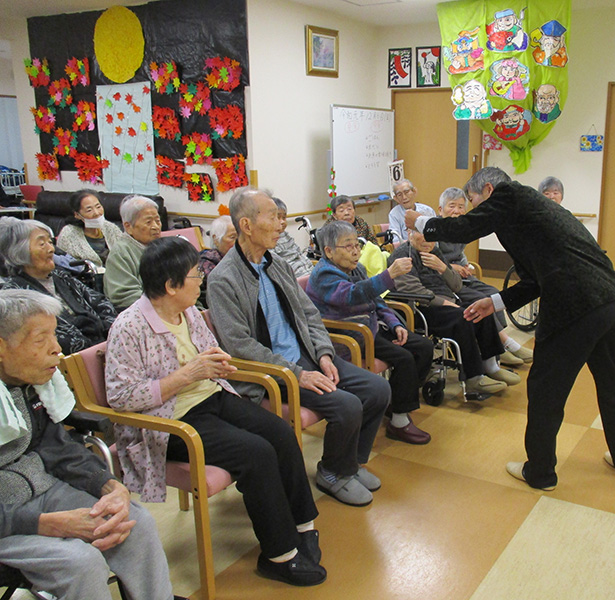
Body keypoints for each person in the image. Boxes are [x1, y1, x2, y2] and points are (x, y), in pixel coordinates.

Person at [405, 166, 615, 491]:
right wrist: (494, 302)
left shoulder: (509, 195)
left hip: (575, 304)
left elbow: (464, 228)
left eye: (473, 201)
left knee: (546, 388)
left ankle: (540, 472)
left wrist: (421, 221)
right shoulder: (530, 212)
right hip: (611, 298)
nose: (473, 209)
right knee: (610, 381)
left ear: (488, 190)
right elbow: (534, 280)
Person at [104, 237, 325, 586]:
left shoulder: (188, 311)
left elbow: (208, 352)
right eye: (195, 275)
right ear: (171, 285)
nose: (201, 279)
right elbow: (121, 397)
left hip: (211, 397)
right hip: (169, 420)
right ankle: (279, 555)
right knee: (256, 453)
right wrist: (185, 375)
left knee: (280, 433)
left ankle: (303, 525)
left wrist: (219, 363)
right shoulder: (129, 327)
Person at [207, 188, 390, 508]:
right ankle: (332, 472)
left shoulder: (277, 263)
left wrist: (324, 353)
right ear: (247, 225)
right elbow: (239, 344)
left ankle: (349, 464)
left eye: (282, 217)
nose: (282, 224)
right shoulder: (223, 279)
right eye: (273, 217)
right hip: (273, 371)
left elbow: (308, 314)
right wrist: (298, 374)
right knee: (347, 405)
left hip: (306, 354)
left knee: (377, 390)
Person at [0, 288, 184, 600]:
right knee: (80, 563)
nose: (57, 349)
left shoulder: (29, 385)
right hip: (7, 518)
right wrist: (46, 524)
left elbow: (57, 448)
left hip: (42, 492)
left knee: (135, 523)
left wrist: (109, 485)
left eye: (54, 335)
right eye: (41, 339)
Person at [306, 221, 434, 445]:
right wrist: (388, 274)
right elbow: (353, 295)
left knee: (424, 347)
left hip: (370, 328)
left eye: (357, 245)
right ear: (329, 251)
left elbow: (376, 300)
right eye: (348, 246)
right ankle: (399, 422)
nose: (356, 251)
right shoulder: (324, 275)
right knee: (405, 358)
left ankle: (396, 401)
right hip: (350, 336)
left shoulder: (356, 268)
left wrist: (394, 324)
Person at [388, 228, 520, 396]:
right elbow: (412, 290)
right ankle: (474, 377)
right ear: (410, 233)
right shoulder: (402, 255)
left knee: (479, 308)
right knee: (463, 317)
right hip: (421, 307)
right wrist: (447, 304)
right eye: (421, 233)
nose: (428, 239)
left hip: (448, 302)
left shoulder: (435, 252)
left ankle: (491, 367)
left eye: (431, 236)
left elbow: (457, 285)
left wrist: (443, 267)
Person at [436, 187, 533, 367]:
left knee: (494, 293)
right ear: (441, 210)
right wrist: (453, 268)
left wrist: (465, 265)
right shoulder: (435, 231)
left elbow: (460, 254)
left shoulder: (460, 231)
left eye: (460, 207)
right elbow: (432, 260)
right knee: (481, 299)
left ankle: (501, 344)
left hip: (461, 276)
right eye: (452, 206)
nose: (456, 211)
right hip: (444, 279)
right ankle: (504, 345)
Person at [538, 177, 615, 345]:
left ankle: (613, 327)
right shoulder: (540, 217)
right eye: (547, 193)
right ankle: (607, 330)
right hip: (556, 266)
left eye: (556, 192)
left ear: (562, 196)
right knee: (586, 284)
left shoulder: (566, 215)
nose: (552, 196)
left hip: (572, 262)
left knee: (602, 278)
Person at [0, 217, 116, 355]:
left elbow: (100, 301)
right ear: (20, 251)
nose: (51, 249)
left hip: (103, 346)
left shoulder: (60, 276)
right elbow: (52, 337)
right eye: (42, 244)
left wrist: (111, 332)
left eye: (50, 242)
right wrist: (94, 349)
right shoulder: (16, 295)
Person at [104, 195, 162, 310]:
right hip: (141, 312)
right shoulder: (121, 252)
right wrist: (165, 304)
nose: (156, 227)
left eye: (158, 221)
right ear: (128, 227)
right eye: (148, 222)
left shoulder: (162, 247)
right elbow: (124, 296)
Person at [56, 190, 125, 268]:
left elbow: (125, 254)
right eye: (89, 210)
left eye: (98, 207)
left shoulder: (110, 228)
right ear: (77, 215)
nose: (97, 213)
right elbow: (63, 264)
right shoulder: (68, 235)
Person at [273, 198, 315, 278]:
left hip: (308, 273)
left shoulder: (287, 237)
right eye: (278, 217)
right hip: (295, 278)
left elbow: (300, 255)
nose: (282, 221)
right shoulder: (269, 241)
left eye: (284, 218)